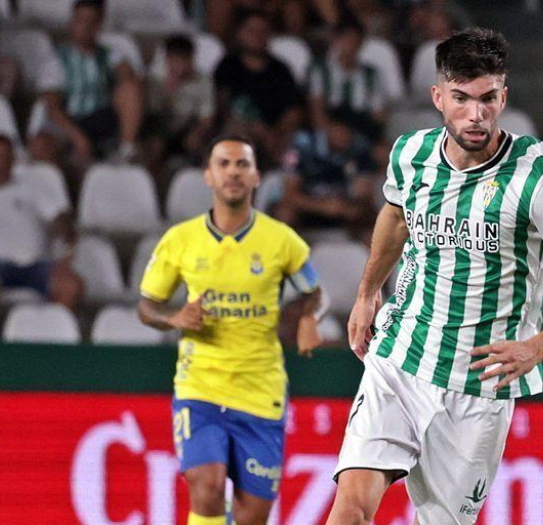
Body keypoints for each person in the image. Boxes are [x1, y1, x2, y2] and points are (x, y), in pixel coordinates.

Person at [328, 28, 543, 524]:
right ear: (438, 97)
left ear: (503, 97)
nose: (475, 114)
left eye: (488, 98)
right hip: (400, 358)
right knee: (350, 511)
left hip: (479, 384)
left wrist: (537, 348)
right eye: (461, 98)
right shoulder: (411, 154)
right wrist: (367, 292)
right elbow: (395, 217)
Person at [137, 136, 326, 525]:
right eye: (223, 164)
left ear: (256, 176)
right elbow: (146, 306)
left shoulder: (281, 240)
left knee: (250, 516)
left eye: (242, 164)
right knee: (206, 486)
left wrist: (310, 318)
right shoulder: (180, 240)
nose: (233, 172)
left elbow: (316, 294)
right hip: (200, 386)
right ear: (209, 175)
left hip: (260, 391)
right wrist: (174, 319)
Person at [0, 134, 83, 312]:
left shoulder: (32, 190)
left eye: (5, 156)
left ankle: (53, 327)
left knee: (71, 284)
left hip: (35, 266)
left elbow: (59, 219)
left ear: (12, 161)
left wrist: (63, 236)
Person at [34, 0, 144, 163]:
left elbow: (129, 79)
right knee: (40, 144)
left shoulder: (110, 55)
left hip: (102, 117)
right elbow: (53, 107)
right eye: (81, 21)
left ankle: (126, 150)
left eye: (91, 22)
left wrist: (123, 78)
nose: (85, 27)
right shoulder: (56, 60)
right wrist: (78, 137)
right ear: (71, 23)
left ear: (98, 26)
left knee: (130, 88)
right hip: (70, 120)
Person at [213, 9, 306, 163]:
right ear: (240, 33)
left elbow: (293, 111)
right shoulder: (227, 66)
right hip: (239, 129)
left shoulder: (281, 70)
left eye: (262, 31)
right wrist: (254, 128)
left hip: (274, 135)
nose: (257, 36)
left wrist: (276, 133)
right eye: (251, 31)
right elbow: (222, 106)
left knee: (298, 144)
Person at [275, 113, 378, 240]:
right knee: (284, 213)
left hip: (342, 209)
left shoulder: (360, 148)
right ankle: (288, 250)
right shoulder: (301, 144)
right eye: (340, 130)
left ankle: (368, 251)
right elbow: (290, 195)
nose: (344, 136)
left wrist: (348, 208)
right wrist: (323, 206)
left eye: (348, 132)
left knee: (373, 215)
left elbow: (364, 195)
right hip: (308, 208)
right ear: (329, 127)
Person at [144, 34, 217, 179]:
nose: (179, 66)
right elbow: (150, 113)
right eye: (174, 60)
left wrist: (197, 132)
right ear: (167, 59)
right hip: (158, 126)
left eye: (183, 60)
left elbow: (206, 118)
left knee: (202, 144)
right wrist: (171, 90)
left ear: (191, 60)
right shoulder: (153, 78)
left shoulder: (203, 81)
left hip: (187, 128)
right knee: (155, 144)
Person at [307, 19, 387, 142]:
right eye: (347, 40)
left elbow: (379, 115)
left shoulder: (370, 75)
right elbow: (316, 111)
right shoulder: (320, 71)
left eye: (356, 41)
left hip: (360, 130)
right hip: (329, 130)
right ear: (336, 40)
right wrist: (330, 131)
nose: (351, 46)